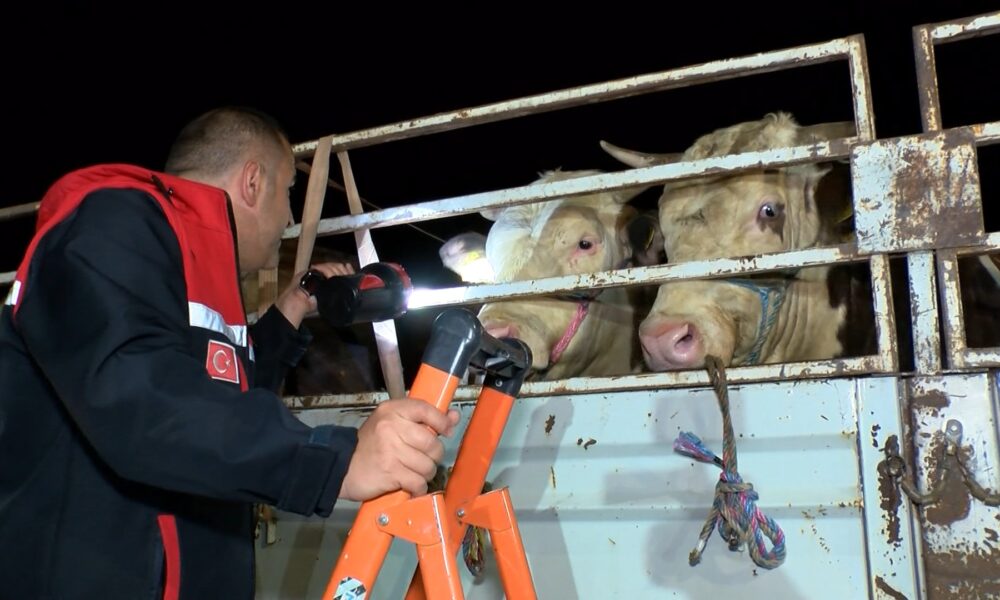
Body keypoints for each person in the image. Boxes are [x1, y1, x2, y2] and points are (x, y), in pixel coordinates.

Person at [0, 106, 459, 599]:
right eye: (288, 192)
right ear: (253, 182)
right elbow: (142, 402)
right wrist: (335, 461)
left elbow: (217, 401)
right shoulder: (110, 223)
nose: (288, 217)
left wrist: (292, 309)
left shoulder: (194, 264)